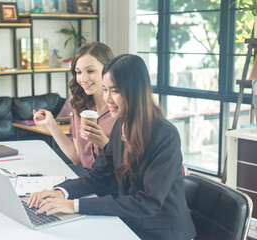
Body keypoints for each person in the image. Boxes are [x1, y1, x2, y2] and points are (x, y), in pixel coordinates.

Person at [28, 54, 196, 240]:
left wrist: (75, 205)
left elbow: (147, 203)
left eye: (114, 91)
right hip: (130, 224)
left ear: (135, 91)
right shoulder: (121, 124)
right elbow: (98, 176)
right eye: (105, 90)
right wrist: (60, 191)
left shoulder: (165, 135)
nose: (107, 99)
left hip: (162, 232)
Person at [33, 42, 116, 170]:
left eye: (90, 71)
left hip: (118, 184)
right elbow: (76, 157)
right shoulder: (80, 106)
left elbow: (135, 165)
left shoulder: (122, 109)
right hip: (90, 180)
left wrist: (105, 143)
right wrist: (51, 124)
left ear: (108, 69)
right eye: (78, 72)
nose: (83, 79)